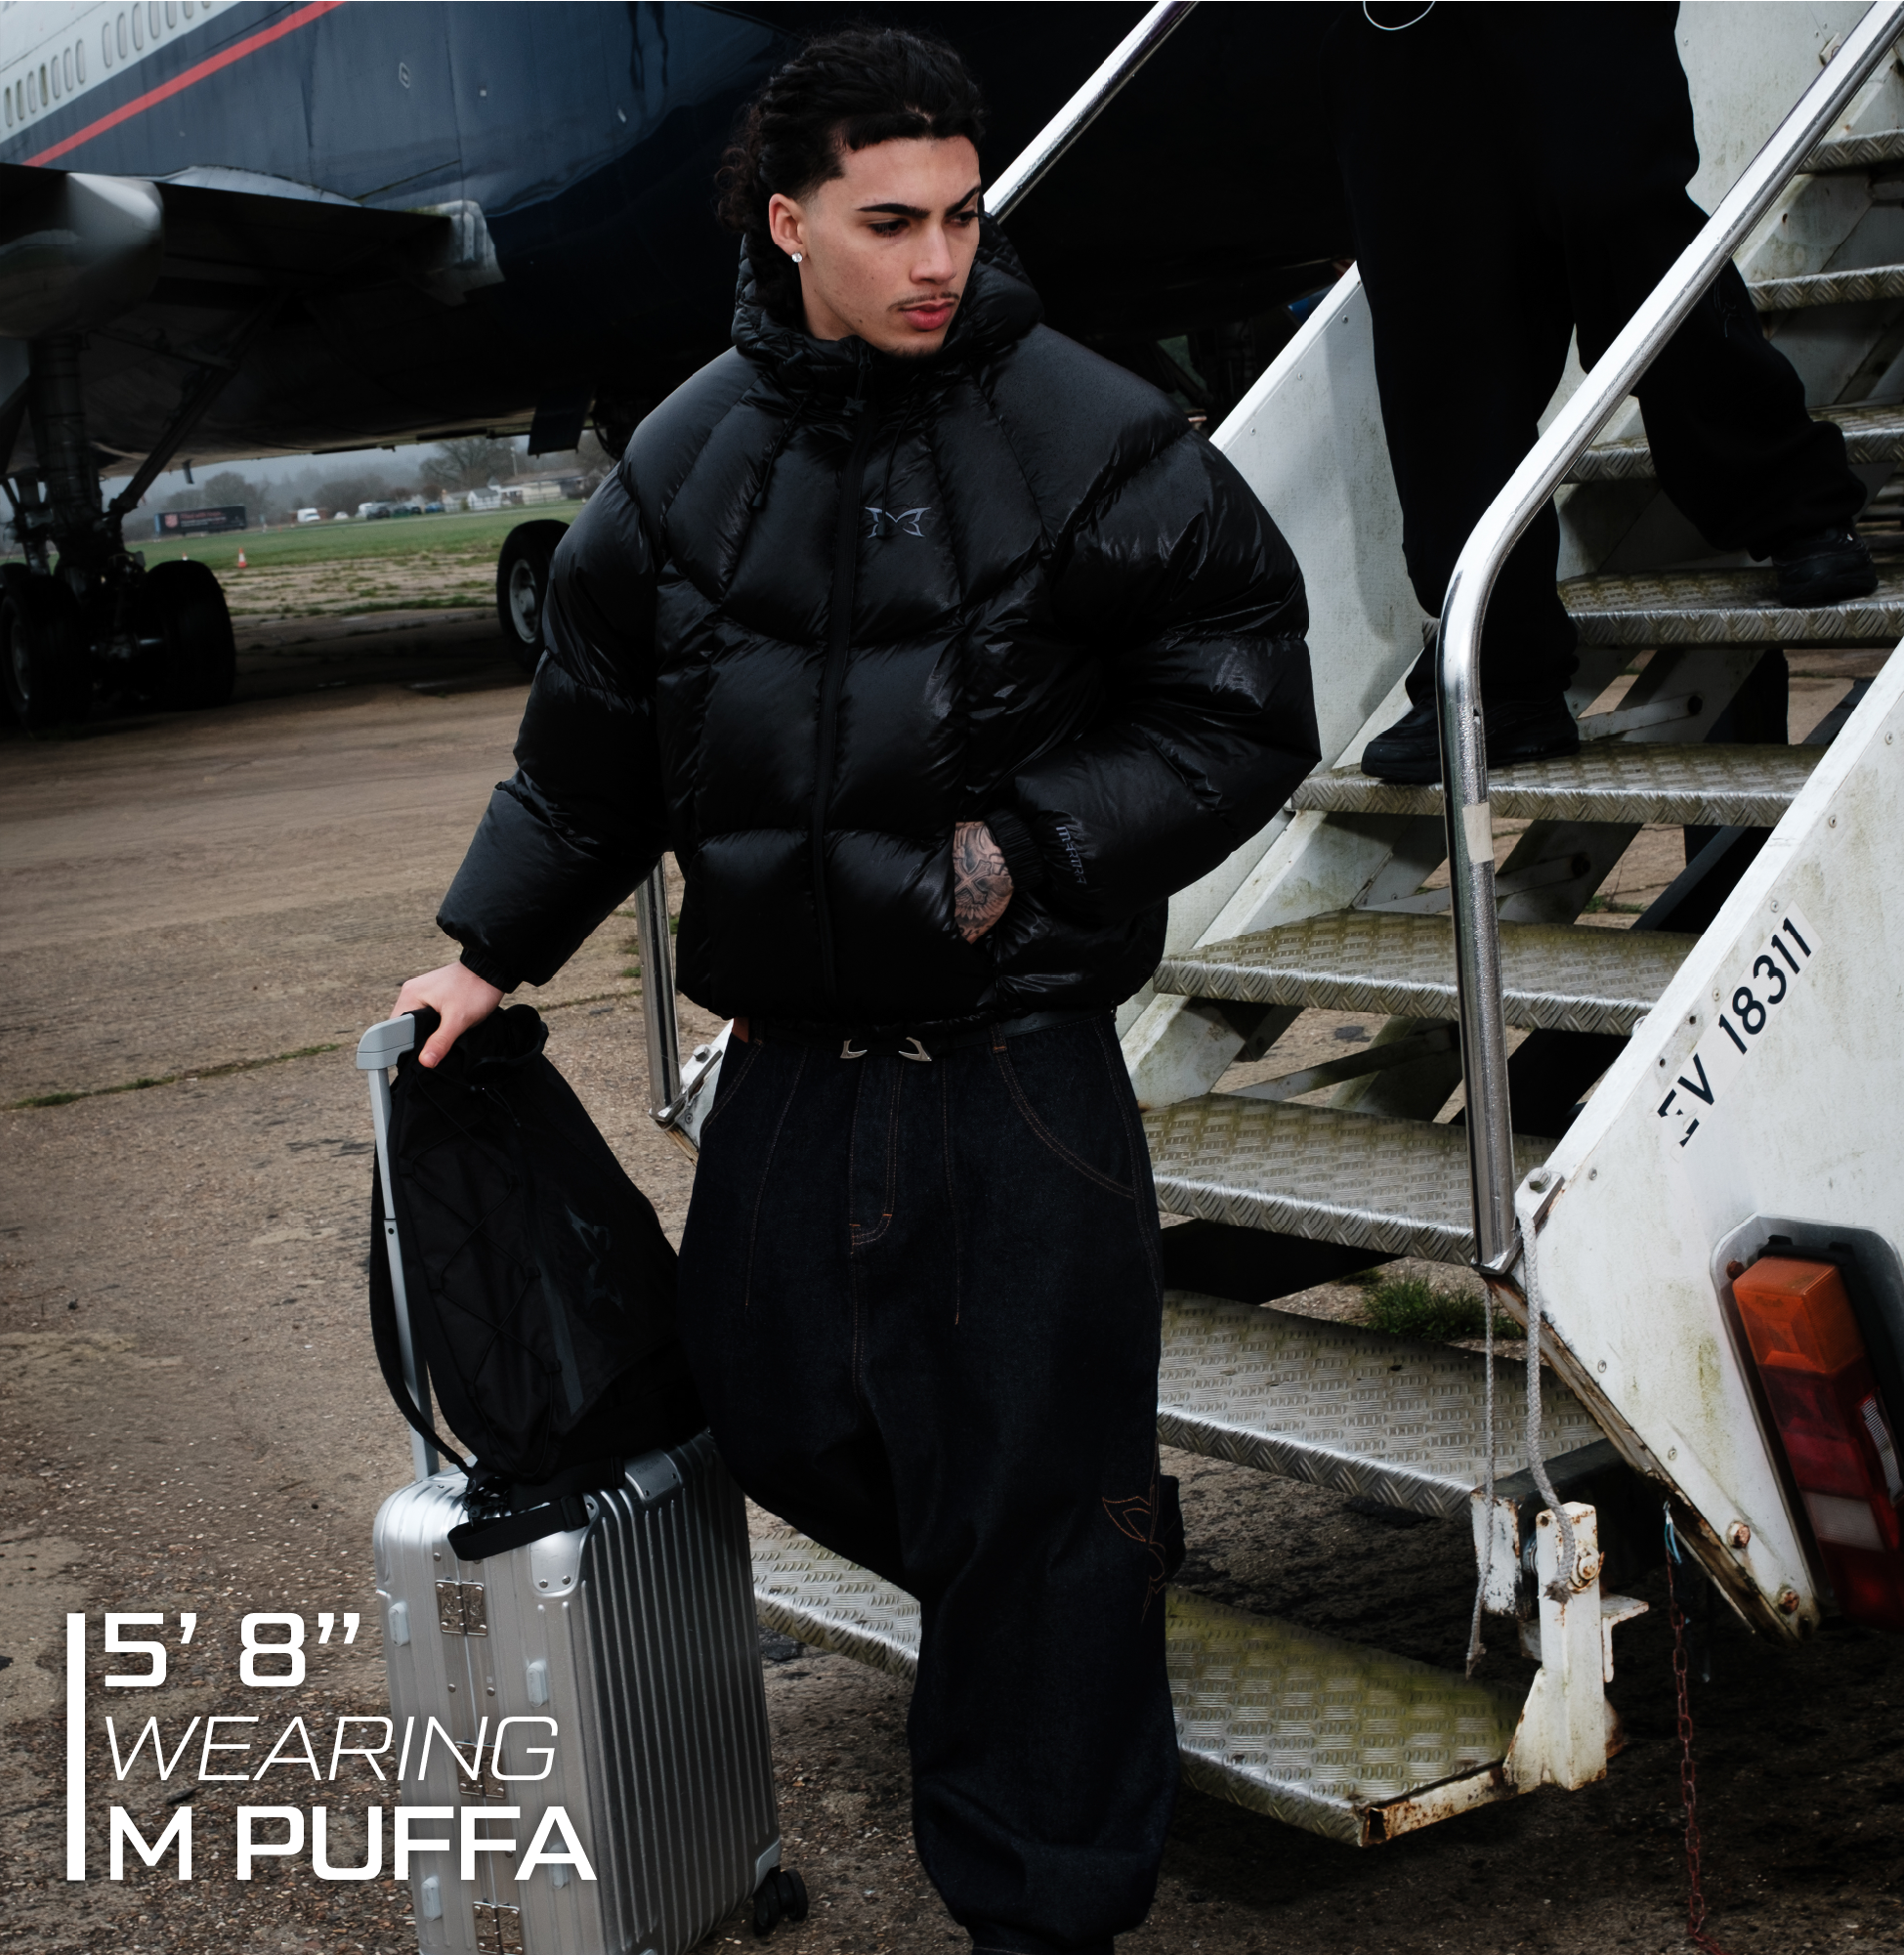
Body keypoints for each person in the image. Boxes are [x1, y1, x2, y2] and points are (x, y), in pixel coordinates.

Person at [392, 27, 1319, 1955]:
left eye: (962, 215)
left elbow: (1241, 696)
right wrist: (486, 951)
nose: (938, 260)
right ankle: (1069, 1590)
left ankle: (1043, 1904)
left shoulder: (1093, 432)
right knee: (779, 1412)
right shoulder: (685, 458)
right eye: (891, 221)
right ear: (787, 222)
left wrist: (1025, 846)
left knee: (1030, 1510)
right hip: (794, 1074)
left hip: (1014, 1074)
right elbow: (587, 756)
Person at [1341, 3, 1877, 785]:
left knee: (1620, 204)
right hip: (1397, 29)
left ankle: (1795, 505)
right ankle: (1501, 669)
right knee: (1437, 317)